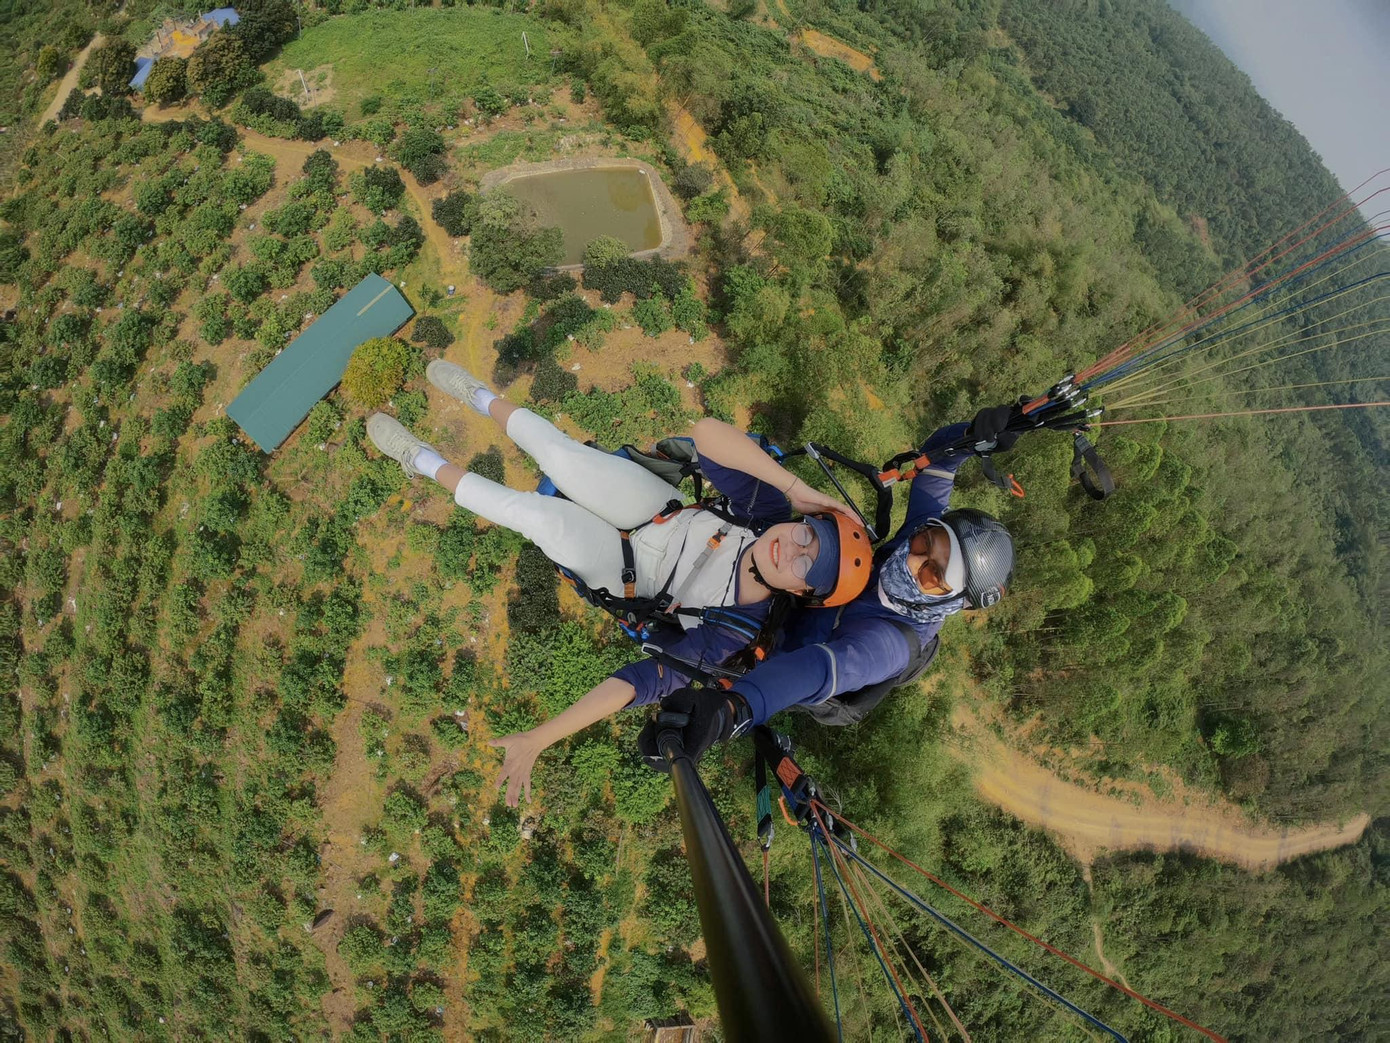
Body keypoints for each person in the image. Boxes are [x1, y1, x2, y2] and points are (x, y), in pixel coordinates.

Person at [366, 360, 873, 805]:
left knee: (530, 515)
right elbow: (709, 433)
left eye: (807, 566)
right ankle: (478, 394)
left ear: (803, 592)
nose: (793, 548)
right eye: (807, 535)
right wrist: (798, 489)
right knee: (561, 457)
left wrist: (541, 738)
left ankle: (421, 460)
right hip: (656, 512)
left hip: (626, 572)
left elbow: (641, 683)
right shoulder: (766, 515)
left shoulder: (736, 632)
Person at [637, 406, 1019, 767]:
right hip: (796, 580)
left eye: (933, 575)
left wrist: (734, 709)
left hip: (770, 640)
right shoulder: (920, 538)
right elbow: (938, 465)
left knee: (668, 656)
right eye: (924, 543)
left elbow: (816, 669)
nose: (915, 559)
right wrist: (976, 435)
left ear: (952, 602)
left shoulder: (889, 645)